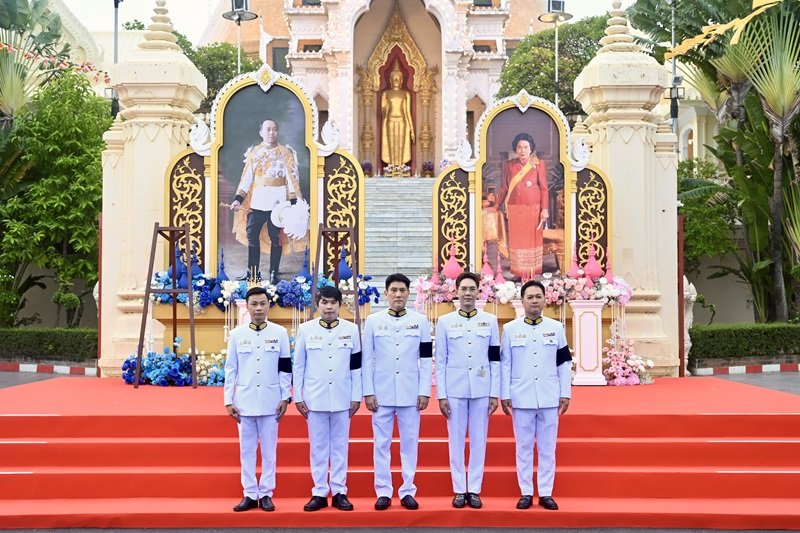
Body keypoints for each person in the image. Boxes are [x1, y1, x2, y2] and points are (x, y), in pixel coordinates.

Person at [362, 273, 432, 511]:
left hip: (410, 393)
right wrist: (368, 392)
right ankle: (383, 491)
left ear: (409, 293)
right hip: (381, 394)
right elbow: (367, 358)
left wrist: (424, 391)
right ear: (386, 293)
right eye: (393, 290)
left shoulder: (420, 321)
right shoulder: (373, 321)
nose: (398, 294)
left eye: (402, 290)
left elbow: (426, 358)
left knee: (409, 443)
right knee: (381, 443)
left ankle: (407, 490)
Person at [500, 280, 571, 511]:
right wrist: (504, 394)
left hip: (549, 397)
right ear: (522, 301)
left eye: (537, 296)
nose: (533, 301)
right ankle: (526, 492)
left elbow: (563, 363)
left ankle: (546, 493)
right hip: (521, 397)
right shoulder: (511, 330)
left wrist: (565, 393)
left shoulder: (556, 328)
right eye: (529, 297)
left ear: (544, 299)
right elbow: (505, 365)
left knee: (548, 448)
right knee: (524, 447)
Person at [293, 285, 362, 512]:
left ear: (340, 305)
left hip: (343, 397)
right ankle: (320, 491)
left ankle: (340, 491)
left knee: (340, 447)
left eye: (333, 302)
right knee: (319, 447)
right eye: (324, 302)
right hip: (315, 398)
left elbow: (356, 367)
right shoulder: (305, 329)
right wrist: (299, 396)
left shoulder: (352, 330)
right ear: (318, 304)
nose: (329, 307)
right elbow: (299, 365)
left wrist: (356, 396)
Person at [434, 271, 500, 509]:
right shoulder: (445, 322)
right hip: (455, 389)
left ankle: (474, 489)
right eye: (464, 289)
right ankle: (459, 489)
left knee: (479, 441)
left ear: (478, 291)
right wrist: (441, 395)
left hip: (482, 390)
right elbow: (440, 361)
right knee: (456, 441)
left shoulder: (490, 321)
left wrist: (495, 393)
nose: (468, 293)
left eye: (472, 289)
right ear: (457, 292)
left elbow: (495, 360)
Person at [223, 286, 292, 512]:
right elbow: (230, 369)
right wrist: (228, 400)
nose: (259, 308)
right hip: (244, 401)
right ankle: (249, 493)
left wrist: (285, 396)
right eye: (254, 304)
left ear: (268, 305)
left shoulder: (280, 333)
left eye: (263, 303)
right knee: (247, 449)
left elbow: (285, 368)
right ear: (247, 306)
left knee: (270, 450)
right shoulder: (237, 335)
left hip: (271, 401)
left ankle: (267, 493)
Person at [231, 119, 303, 283]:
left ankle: (273, 273)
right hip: (258, 202)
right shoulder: (254, 152)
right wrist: (238, 200)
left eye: (274, 129)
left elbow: (292, 180)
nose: (271, 133)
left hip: (277, 205)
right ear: (261, 132)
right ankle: (253, 272)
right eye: (268, 129)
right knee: (252, 234)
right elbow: (247, 178)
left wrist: (293, 202)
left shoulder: (285, 153)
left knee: (275, 237)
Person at [496, 133, 549, 278]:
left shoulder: (538, 164)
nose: (522, 150)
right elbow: (504, 187)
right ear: (515, 149)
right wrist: (495, 204)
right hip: (515, 210)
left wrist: (545, 209)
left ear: (531, 149)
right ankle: (519, 272)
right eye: (519, 147)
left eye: (526, 147)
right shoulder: (509, 165)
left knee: (532, 241)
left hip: (533, 210)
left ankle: (531, 272)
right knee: (517, 241)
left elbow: (544, 188)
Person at [381, 62, 415, 169]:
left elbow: (407, 112)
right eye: (394, 77)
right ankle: (391, 166)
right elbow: (383, 111)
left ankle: (400, 166)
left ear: (402, 80)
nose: (396, 80)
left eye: (398, 77)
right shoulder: (386, 93)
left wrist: (412, 130)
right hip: (390, 120)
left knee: (401, 143)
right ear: (390, 79)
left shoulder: (406, 94)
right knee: (391, 144)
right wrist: (384, 105)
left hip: (402, 120)